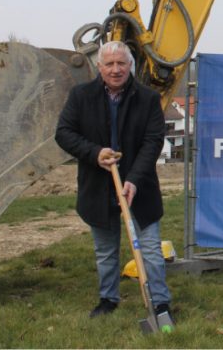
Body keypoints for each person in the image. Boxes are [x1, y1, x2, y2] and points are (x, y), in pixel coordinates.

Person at [55, 41, 173, 319]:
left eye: (121, 63)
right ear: (99, 67)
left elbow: (153, 141)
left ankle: (160, 303)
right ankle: (108, 299)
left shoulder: (148, 99)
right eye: (109, 64)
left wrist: (133, 179)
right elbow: (64, 133)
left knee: (152, 252)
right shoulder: (80, 96)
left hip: (139, 188)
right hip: (98, 188)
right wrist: (95, 153)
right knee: (106, 252)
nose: (116, 69)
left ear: (130, 65)